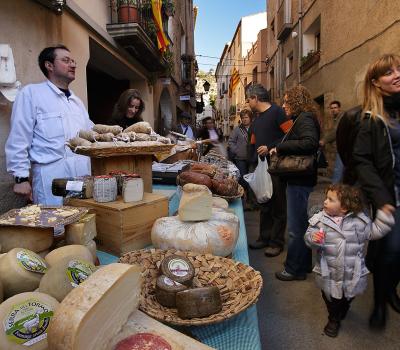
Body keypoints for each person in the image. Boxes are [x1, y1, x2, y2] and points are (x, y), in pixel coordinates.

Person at [5, 45, 93, 205]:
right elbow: (19, 137)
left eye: (73, 61)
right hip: (50, 177)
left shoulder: (77, 102)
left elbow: (89, 133)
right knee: (54, 225)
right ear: (49, 65)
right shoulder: (31, 94)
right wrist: (21, 177)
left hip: (82, 176)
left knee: (81, 223)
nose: (73, 65)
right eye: (66, 60)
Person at [304, 184, 394, 337]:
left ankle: (343, 308)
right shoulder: (320, 220)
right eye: (326, 198)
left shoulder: (360, 222)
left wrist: (384, 218)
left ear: (344, 207)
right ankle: (333, 319)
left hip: (351, 271)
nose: (325, 202)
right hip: (329, 271)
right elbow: (309, 235)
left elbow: (375, 231)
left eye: (330, 200)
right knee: (329, 297)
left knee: (348, 296)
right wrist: (313, 238)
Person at [352, 53, 400, 329]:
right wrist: (381, 200)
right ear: (376, 83)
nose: (396, 74)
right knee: (391, 251)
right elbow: (362, 161)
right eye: (388, 72)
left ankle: (389, 288)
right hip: (391, 195)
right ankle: (380, 302)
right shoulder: (371, 118)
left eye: (398, 69)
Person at [272, 85, 320, 280]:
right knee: (301, 223)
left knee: (296, 227)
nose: (284, 106)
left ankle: (293, 269)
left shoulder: (305, 118)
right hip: (301, 179)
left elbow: (310, 142)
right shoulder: (302, 118)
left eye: (286, 101)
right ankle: (304, 265)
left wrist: (280, 147)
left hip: (300, 179)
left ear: (296, 102)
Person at [246, 84, 292, 257]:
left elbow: (290, 134)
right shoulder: (257, 119)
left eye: (248, 99)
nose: (247, 102)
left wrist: (271, 146)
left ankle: (276, 242)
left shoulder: (278, 112)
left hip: (277, 166)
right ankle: (264, 238)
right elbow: (253, 141)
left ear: (256, 98)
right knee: (264, 204)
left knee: (278, 205)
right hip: (262, 167)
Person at [228, 109, 252, 204]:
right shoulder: (237, 130)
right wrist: (237, 151)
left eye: (246, 117)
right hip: (240, 159)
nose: (244, 119)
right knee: (242, 179)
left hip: (252, 158)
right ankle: (242, 199)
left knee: (251, 180)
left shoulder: (254, 128)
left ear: (250, 118)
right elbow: (231, 142)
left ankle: (250, 200)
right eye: (243, 118)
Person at [320, 101, 344, 183]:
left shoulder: (341, 117)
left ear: (339, 109)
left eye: (335, 108)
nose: (333, 110)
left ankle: (334, 189)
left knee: (338, 171)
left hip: (342, 149)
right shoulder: (335, 119)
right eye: (332, 108)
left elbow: (335, 131)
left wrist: (324, 140)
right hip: (339, 149)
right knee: (339, 171)